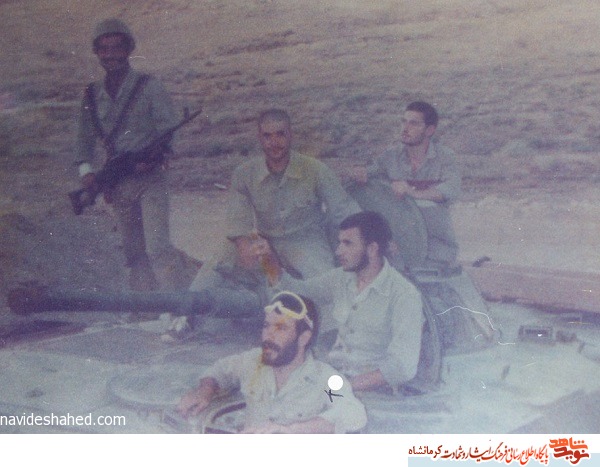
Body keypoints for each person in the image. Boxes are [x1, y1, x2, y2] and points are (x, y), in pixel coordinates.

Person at [163, 108, 360, 340]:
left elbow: (344, 210)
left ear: (290, 135)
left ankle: (333, 331)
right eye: (267, 136)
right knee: (218, 261)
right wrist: (243, 245)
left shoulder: (315, 169)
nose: (274, 142)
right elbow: (238, 220)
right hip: (265, 238)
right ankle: (184, 317)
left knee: (323, 277)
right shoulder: (245, 173)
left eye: (280, 134)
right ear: (259, 138)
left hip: (305, 239)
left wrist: (365, 240)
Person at [74, 18, 199, 292]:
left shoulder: (149, 86)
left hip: (149, 180)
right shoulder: (92, 95)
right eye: (104, 49)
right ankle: (145, 307)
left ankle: (179, 305)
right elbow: (83, 140)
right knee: (134, 253)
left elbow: (168, 130)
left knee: (158, 248)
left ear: (129, 49)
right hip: (118, 183)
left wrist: (155, 158)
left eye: (117, 47)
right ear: (97, 53)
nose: (111, 55)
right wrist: (87, 174)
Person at [256, 211, 424, 393]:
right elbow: (303, 293)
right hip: (335, 380)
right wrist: (271, 265)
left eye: (348, 243)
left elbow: (402, 366)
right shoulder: (342, 277)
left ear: (372, 249)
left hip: (375, 394)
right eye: (339, 242)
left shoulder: (404, 295)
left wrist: (339, 389)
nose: (338, 251)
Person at [177, 291, 367, 433]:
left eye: (281, 328)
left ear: (304, 338)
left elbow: (352, 413)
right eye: (267, 326)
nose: (269, 335)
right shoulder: (254, 362)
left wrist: (291, 431)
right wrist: (205, 391)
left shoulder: (326, 379)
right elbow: (220, 370)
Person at [352, 101, 461, 269]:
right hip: (400, 240)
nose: (405, 128)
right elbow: (369, 177)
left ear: (430, 130)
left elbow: (450, 190)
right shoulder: (391, 156)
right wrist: (360, 173)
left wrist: (412, 192)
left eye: (414, 123)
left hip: (435, 243)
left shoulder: (445, 157)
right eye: (404, 121)